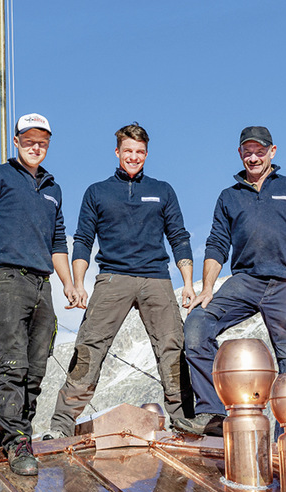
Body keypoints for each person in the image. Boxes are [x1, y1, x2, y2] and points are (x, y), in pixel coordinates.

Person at [174, 126, 286, 436]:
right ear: (240, 154)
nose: (254, 157)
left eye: (260, 151)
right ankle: (212, 412)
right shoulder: (229, 197)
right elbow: (217, 243)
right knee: (197, 324)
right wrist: (207, 288)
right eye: (248, 152)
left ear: (273, 151)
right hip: (245, 281)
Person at [45, 123, 195, 439]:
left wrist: (189, 284)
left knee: (172, 348)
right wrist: (78, 283)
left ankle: (184, 421)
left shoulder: (163, 190)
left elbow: (179, 237)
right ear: (117, 152)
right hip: (113, 278)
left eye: (140, 152)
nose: (134, 157)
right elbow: (83, 239)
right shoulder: (97, 192)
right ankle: (61, 425)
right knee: (89, 346)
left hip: (156, 279)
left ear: (146, 154)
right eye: (128, 151)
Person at [0, 113, 79, 476]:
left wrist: (69, 282)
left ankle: (21, 437)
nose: (36, 147)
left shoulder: (53, 189)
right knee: (11, 363)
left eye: (42, 142)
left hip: (42, 284)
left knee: (36, 367)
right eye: (30, 140)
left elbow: (57, 240)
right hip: (6, 278)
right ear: (16, 141)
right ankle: (15, 442)